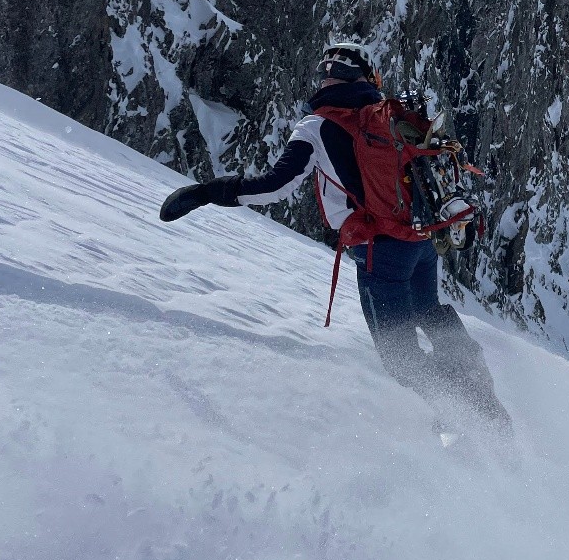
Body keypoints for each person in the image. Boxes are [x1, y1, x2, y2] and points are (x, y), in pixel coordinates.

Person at [159, 39, 509, 431]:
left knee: (400, 359)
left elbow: (277, 185)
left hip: (380, 252)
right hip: (420, 240)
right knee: (429, 312)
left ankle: (466, 423)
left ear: (326, 76)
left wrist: (207, 192)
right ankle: (482, 394)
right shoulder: (388, 116)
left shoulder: (317, 127)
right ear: (367, 76)